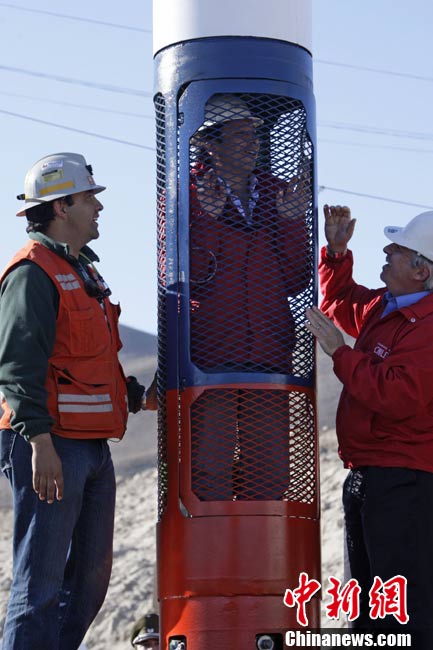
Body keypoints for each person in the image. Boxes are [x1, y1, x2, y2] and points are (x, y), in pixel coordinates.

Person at [0, 153, 148, 650]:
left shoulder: (83, 272)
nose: (98, 207)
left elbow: (86, 363)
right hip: (49, 446)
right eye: (89, 198)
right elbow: (17, 365)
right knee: (38, 588)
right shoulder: (32, 272)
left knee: (87, 585)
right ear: (61, 207)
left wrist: (134, 396)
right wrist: (40, 443)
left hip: (90, 447)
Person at [306, 204, 433, 644]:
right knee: (366, 610)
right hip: (371, 476)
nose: (385, 251)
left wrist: (341, 353)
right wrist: (337, 254)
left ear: (420, 270)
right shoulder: (386, 306)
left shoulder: (428, 328)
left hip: (405, 482)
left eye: (397, 249)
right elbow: (340, 302)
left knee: (402, 613)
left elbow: (397, 395)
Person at [187, 94, 312, 500]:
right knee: (210, 471)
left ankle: (262, 544)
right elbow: (189, 279)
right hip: (210, 359)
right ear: (211, 144)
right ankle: (215, 543)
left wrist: (292, 221)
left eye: (254, 135)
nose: (252, 144)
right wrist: (207, 218)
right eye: (240, 135)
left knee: (270, 473)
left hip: (269, 355)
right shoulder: (186, 194)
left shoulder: (278, 193)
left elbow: (296, 280)